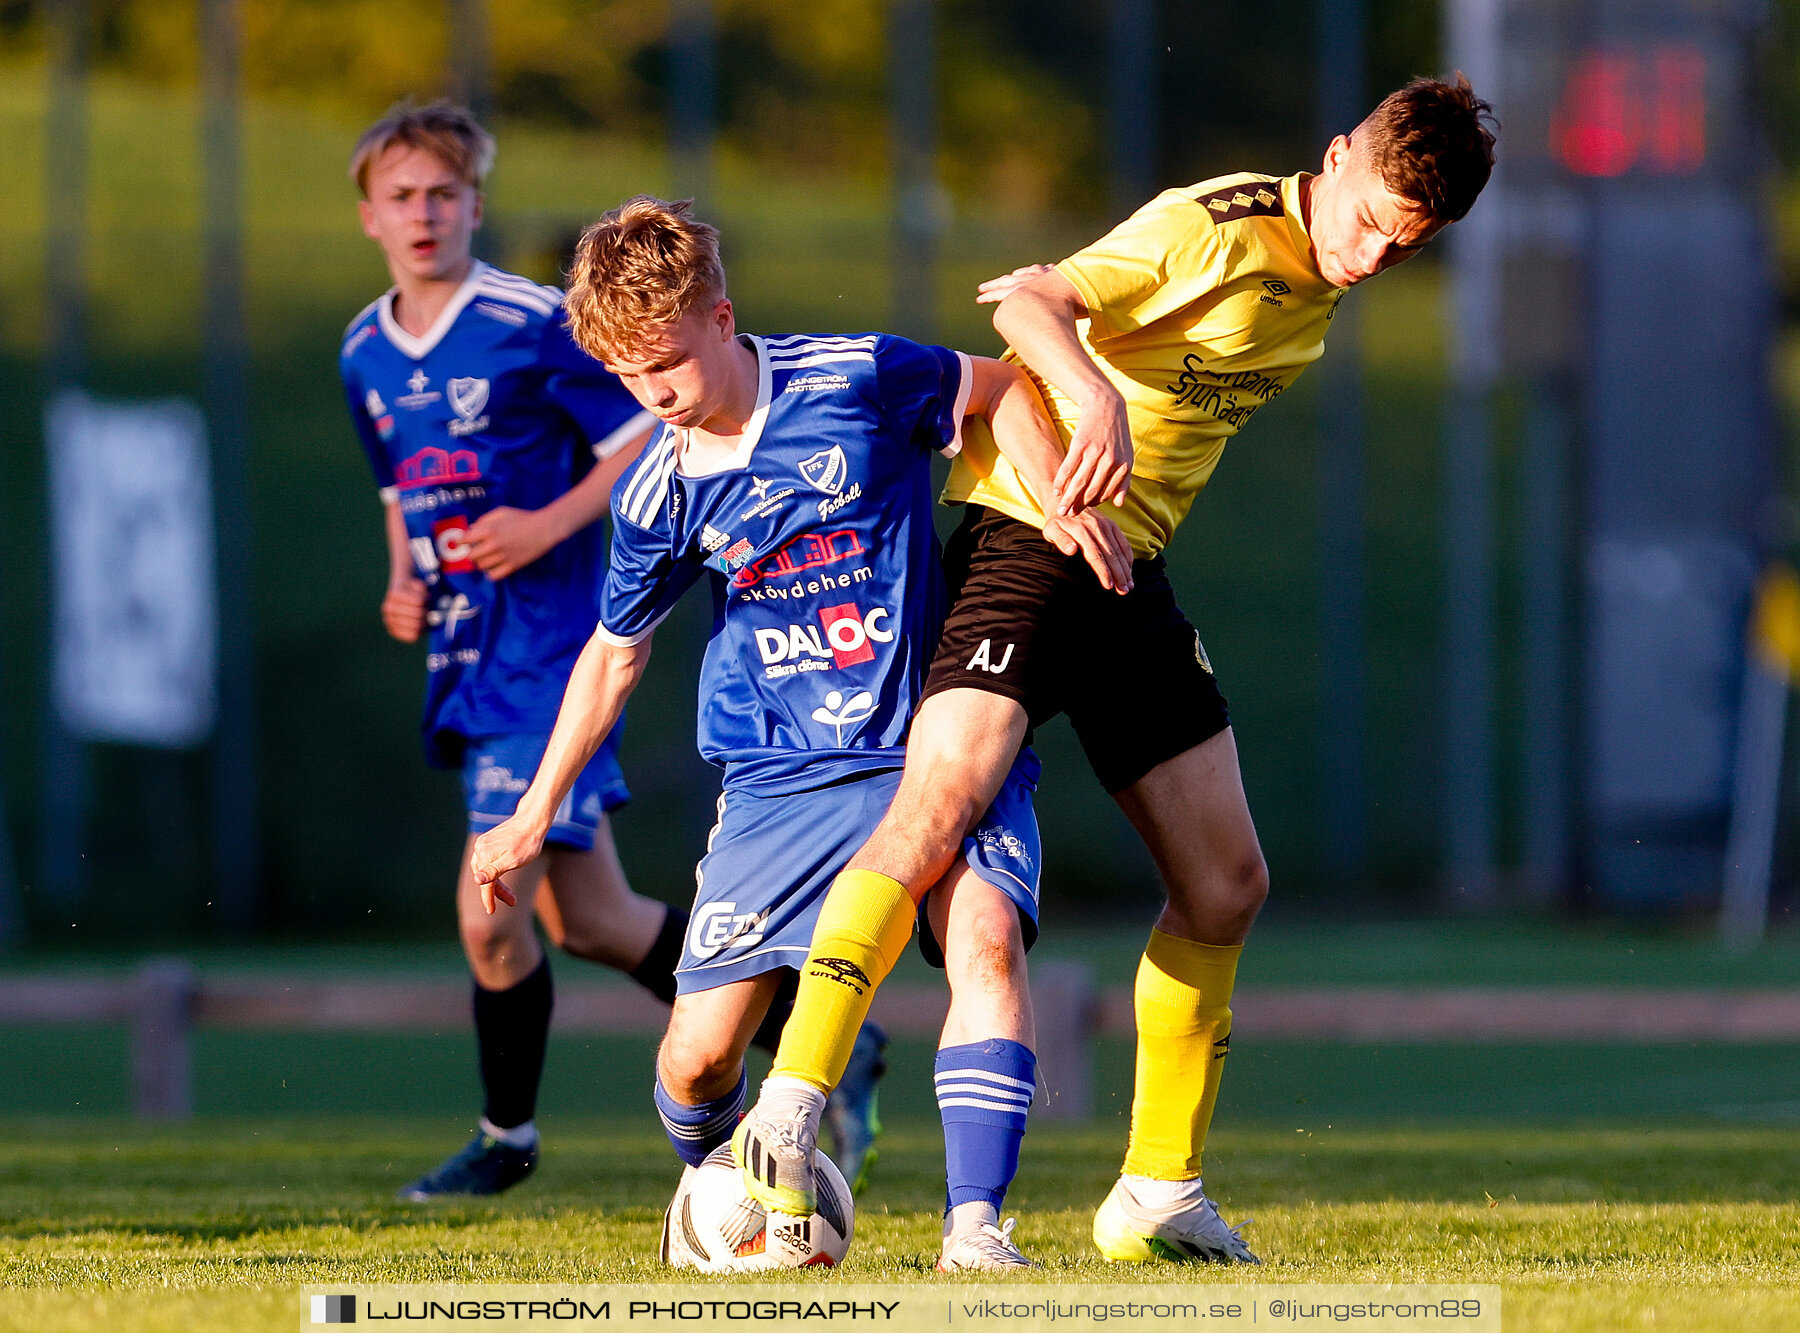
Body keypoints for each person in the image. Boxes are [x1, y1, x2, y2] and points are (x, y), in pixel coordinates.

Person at [735, 75, 1498, 1264]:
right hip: (1028, 539)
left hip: (1124, 570)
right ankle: (790, 1105)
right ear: (1338, 154)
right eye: (1366, 221)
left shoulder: (1332, 269)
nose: (1370, 255)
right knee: (938, 806)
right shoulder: (1212, 225)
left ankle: (1156, 1190)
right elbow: (1028, 302)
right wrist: (1090, 392)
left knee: (1227, 882)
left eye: (1406, 245)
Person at [468, 197, 1132, 1269]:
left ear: (723, 319)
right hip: (780, 778)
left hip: (935, 740)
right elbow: (614, 652)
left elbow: (997, 388)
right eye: (630, 378)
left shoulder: (856, 376)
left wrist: (1053, 497)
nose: (655, 395)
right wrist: (530, 814)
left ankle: (976, 1230)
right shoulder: (659, 490)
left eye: (669, 365)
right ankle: (726, 1198)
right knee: (693, 1061)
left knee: (986, 943)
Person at [340, 104, 812, 1200]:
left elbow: (647, 428)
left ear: (474, 205)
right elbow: (396, 493)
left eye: (444, 194)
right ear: (370, 215)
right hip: (465, 653)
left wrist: (545, 526)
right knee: (592, 919)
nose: (425, 215)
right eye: (403, 197)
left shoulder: (527, 318)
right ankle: (812, 1027)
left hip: (549, 651)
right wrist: (406, 579)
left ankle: (506, 1138)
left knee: (484, 899)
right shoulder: (363, 347)